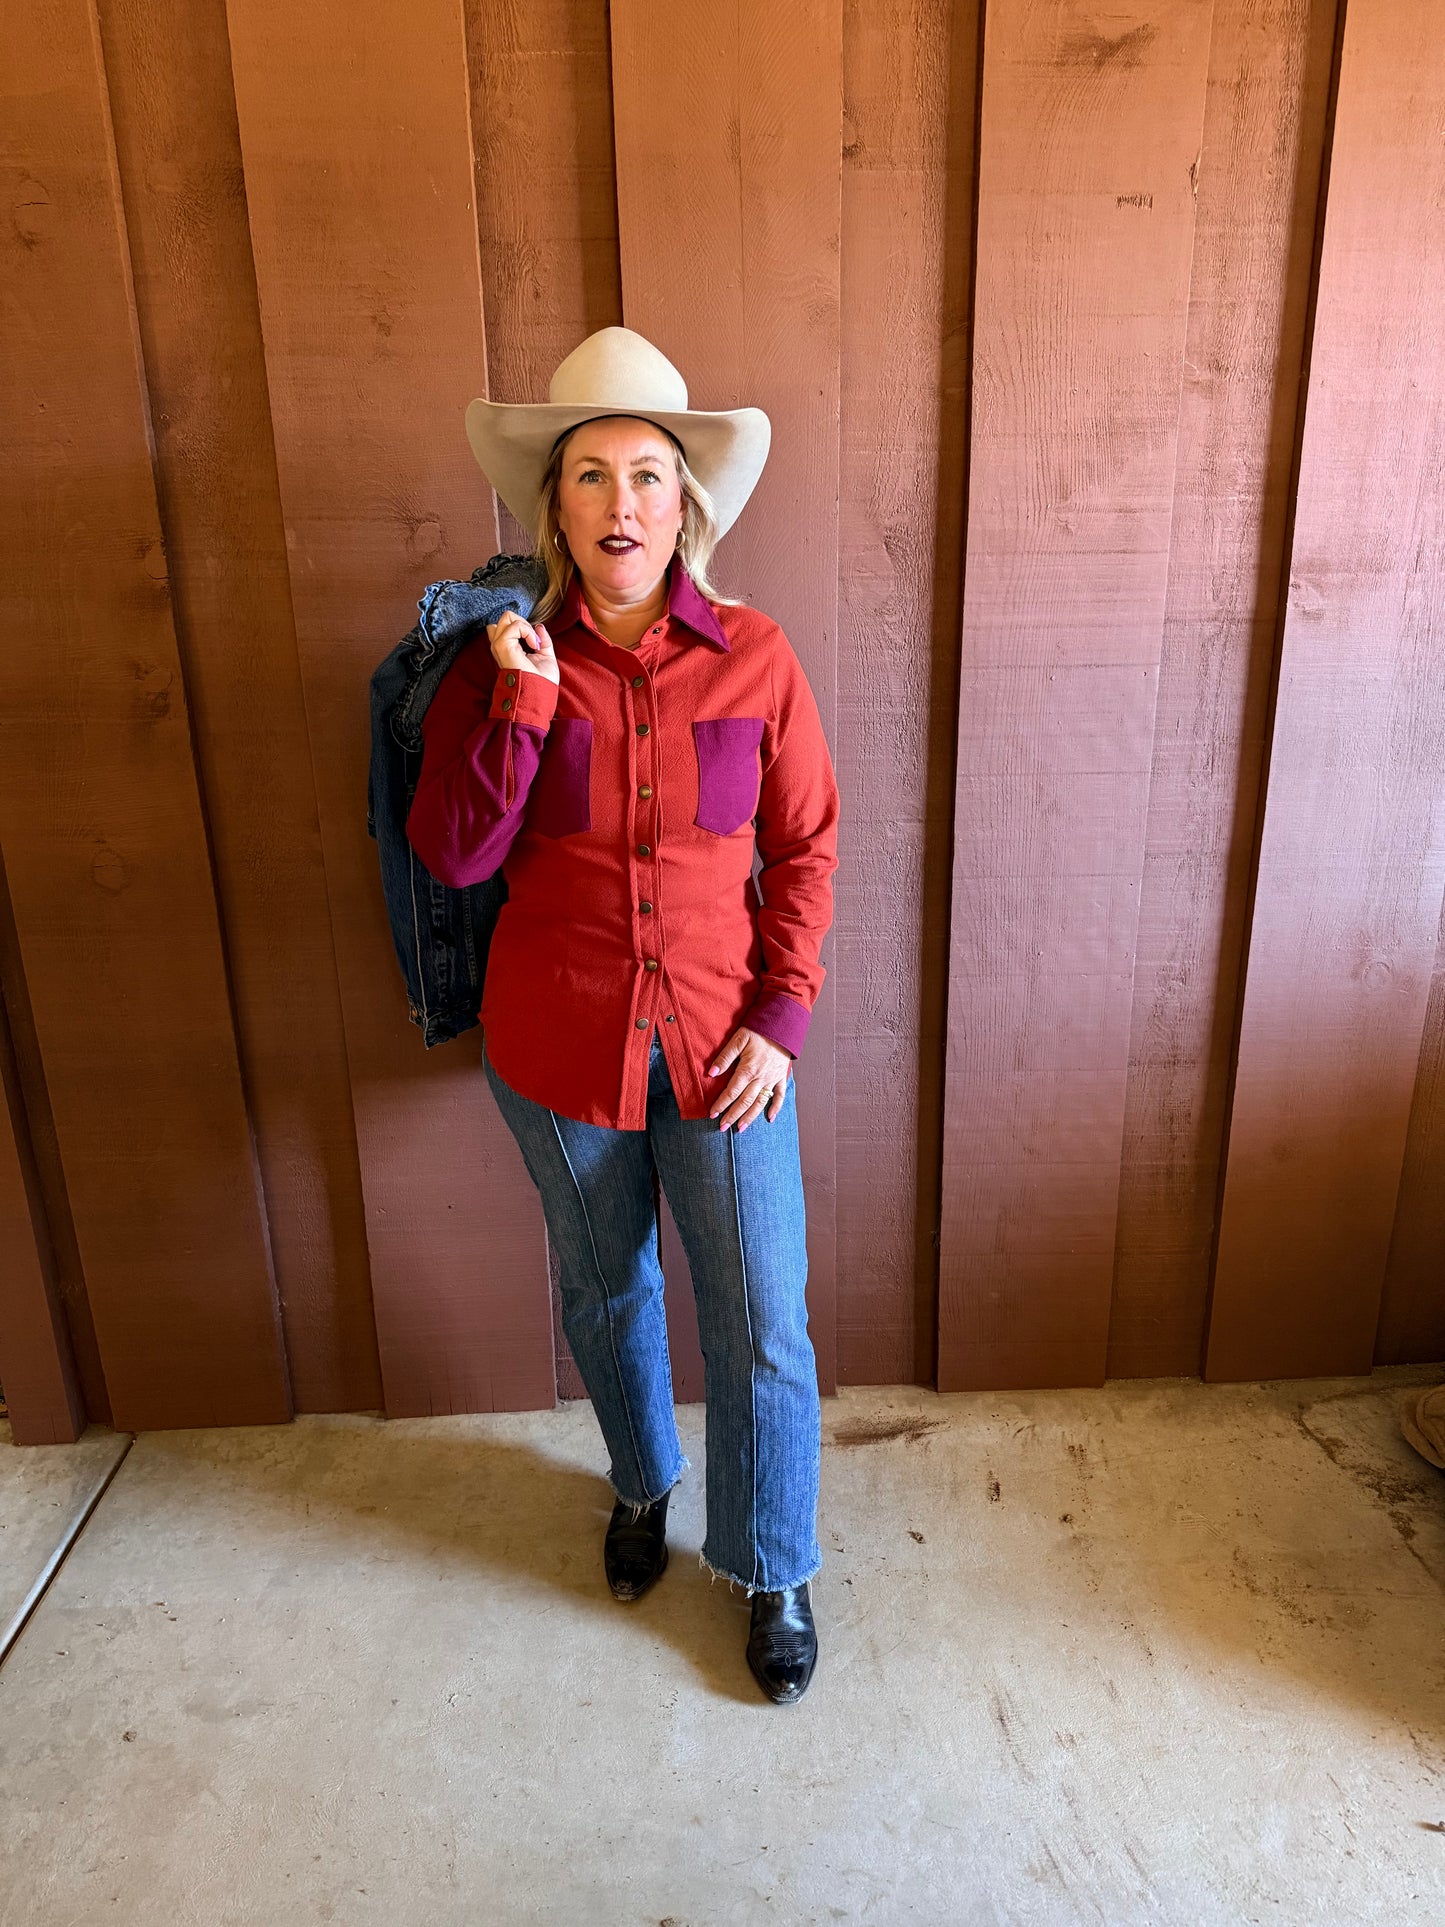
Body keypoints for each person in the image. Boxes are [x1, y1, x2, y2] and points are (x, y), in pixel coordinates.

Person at [405, 326, 839, 1704]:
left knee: (761, 1312)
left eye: (646, 475)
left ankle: (770, 1562)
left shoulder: (757, 660)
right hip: (556, 1045)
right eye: (589, 477)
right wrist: (522, 704)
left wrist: (780, 1018)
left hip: (724, 1052)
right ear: (558, 509)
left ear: (684, 505)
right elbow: (455, 856)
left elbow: (808, 848)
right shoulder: (497, 663)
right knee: (606, 1289)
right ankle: (642, 1489)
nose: (620, 505)